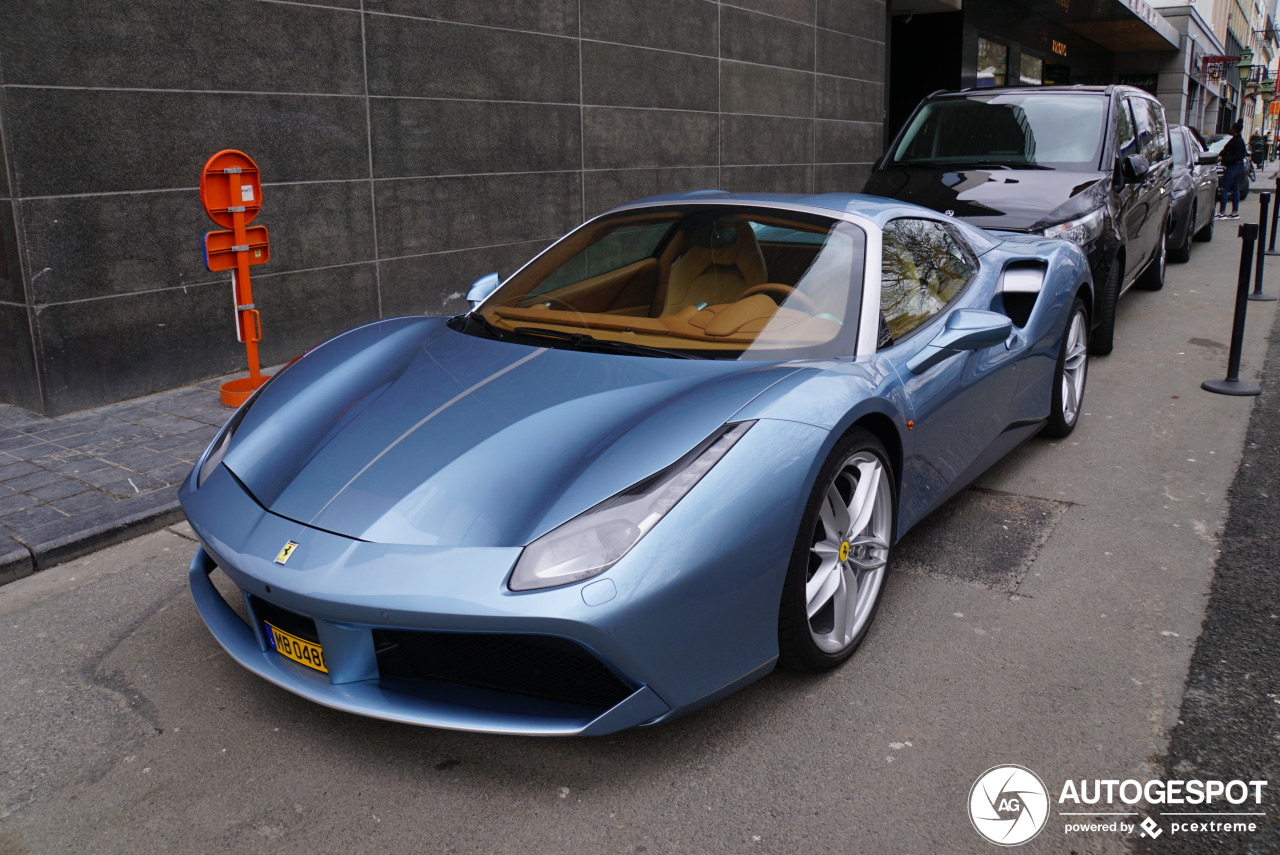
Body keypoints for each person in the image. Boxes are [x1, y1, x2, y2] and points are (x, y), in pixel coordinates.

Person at [1217, 121, 1248, 220]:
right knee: (1235, 189)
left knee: (1225, 189)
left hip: (1234, 167)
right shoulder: (1237, 140)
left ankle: (1222, 212)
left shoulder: (1237, 141)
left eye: (1231, 127)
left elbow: (1237, 156)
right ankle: (1234, 212)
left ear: (1234, 129)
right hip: (1238, 167)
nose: (1229, 129)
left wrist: (1223, 158)